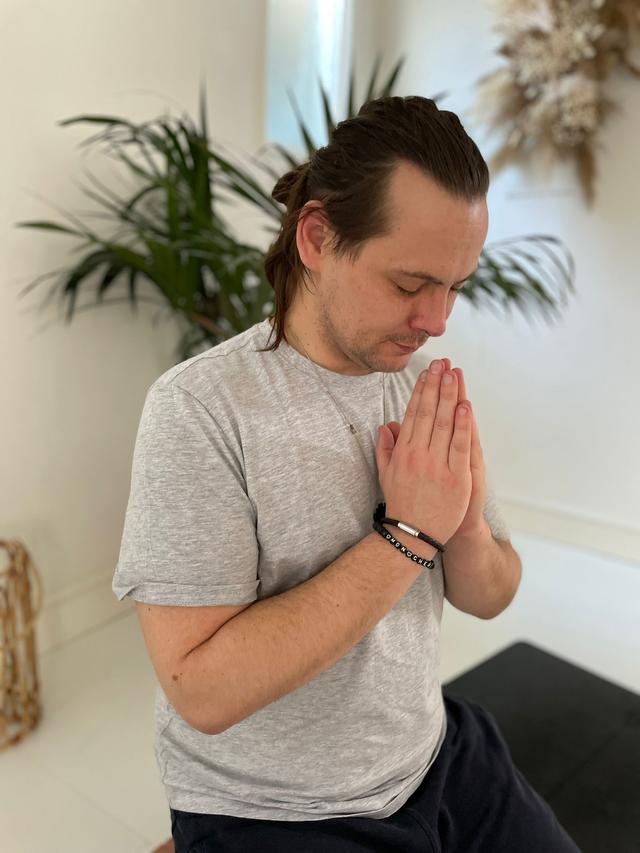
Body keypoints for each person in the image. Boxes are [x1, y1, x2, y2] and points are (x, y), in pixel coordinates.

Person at [112, 95, 581, 852]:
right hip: (272, 808)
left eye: (455, 286)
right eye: (409, 285)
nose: (437, 320)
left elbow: (491, 593)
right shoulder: (199, 409)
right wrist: (408, 535)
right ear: (318, 237)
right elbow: (201, 691)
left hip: (434, 754)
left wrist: (459, 521)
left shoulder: (419, 386)